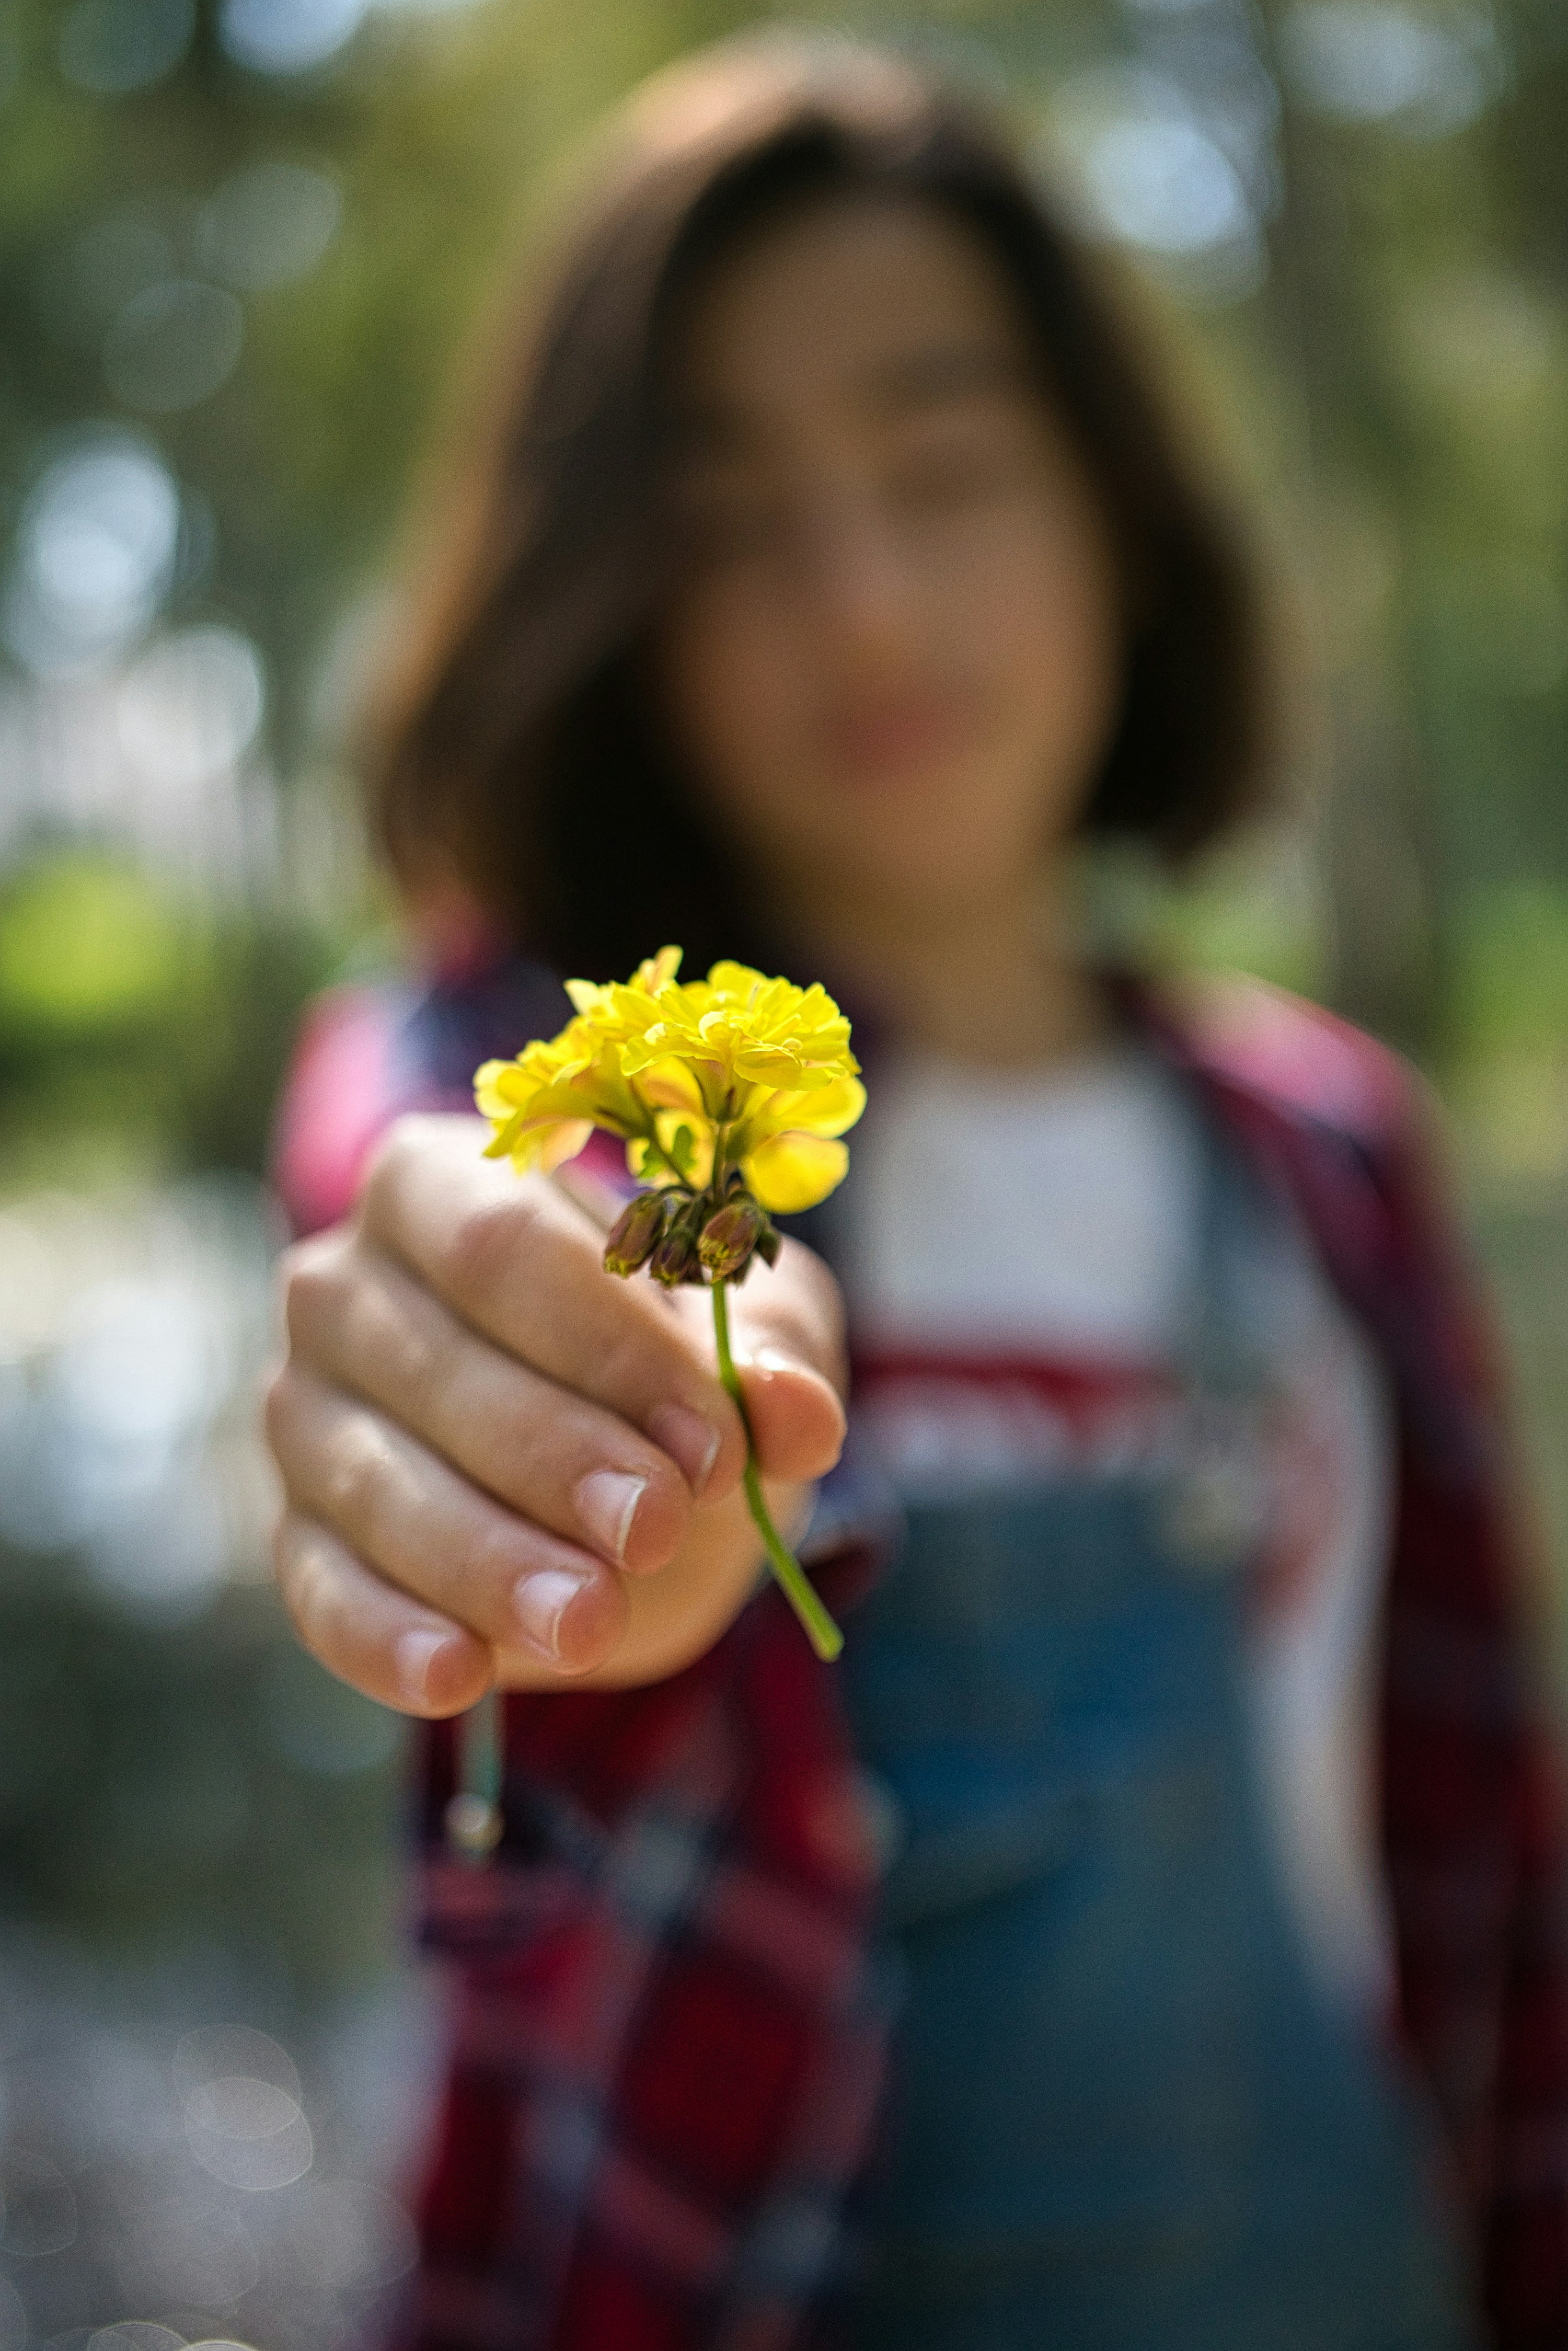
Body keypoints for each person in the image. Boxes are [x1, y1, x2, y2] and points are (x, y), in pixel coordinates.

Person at [264, 31, 1568, 2350]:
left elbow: (1490, 1890)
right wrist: (581, 1464)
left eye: (943, 463)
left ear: (1114, 514)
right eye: (730, 516)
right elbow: (486, 1202)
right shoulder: (560, 1081)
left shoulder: (1332, 1160)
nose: (861, 599)